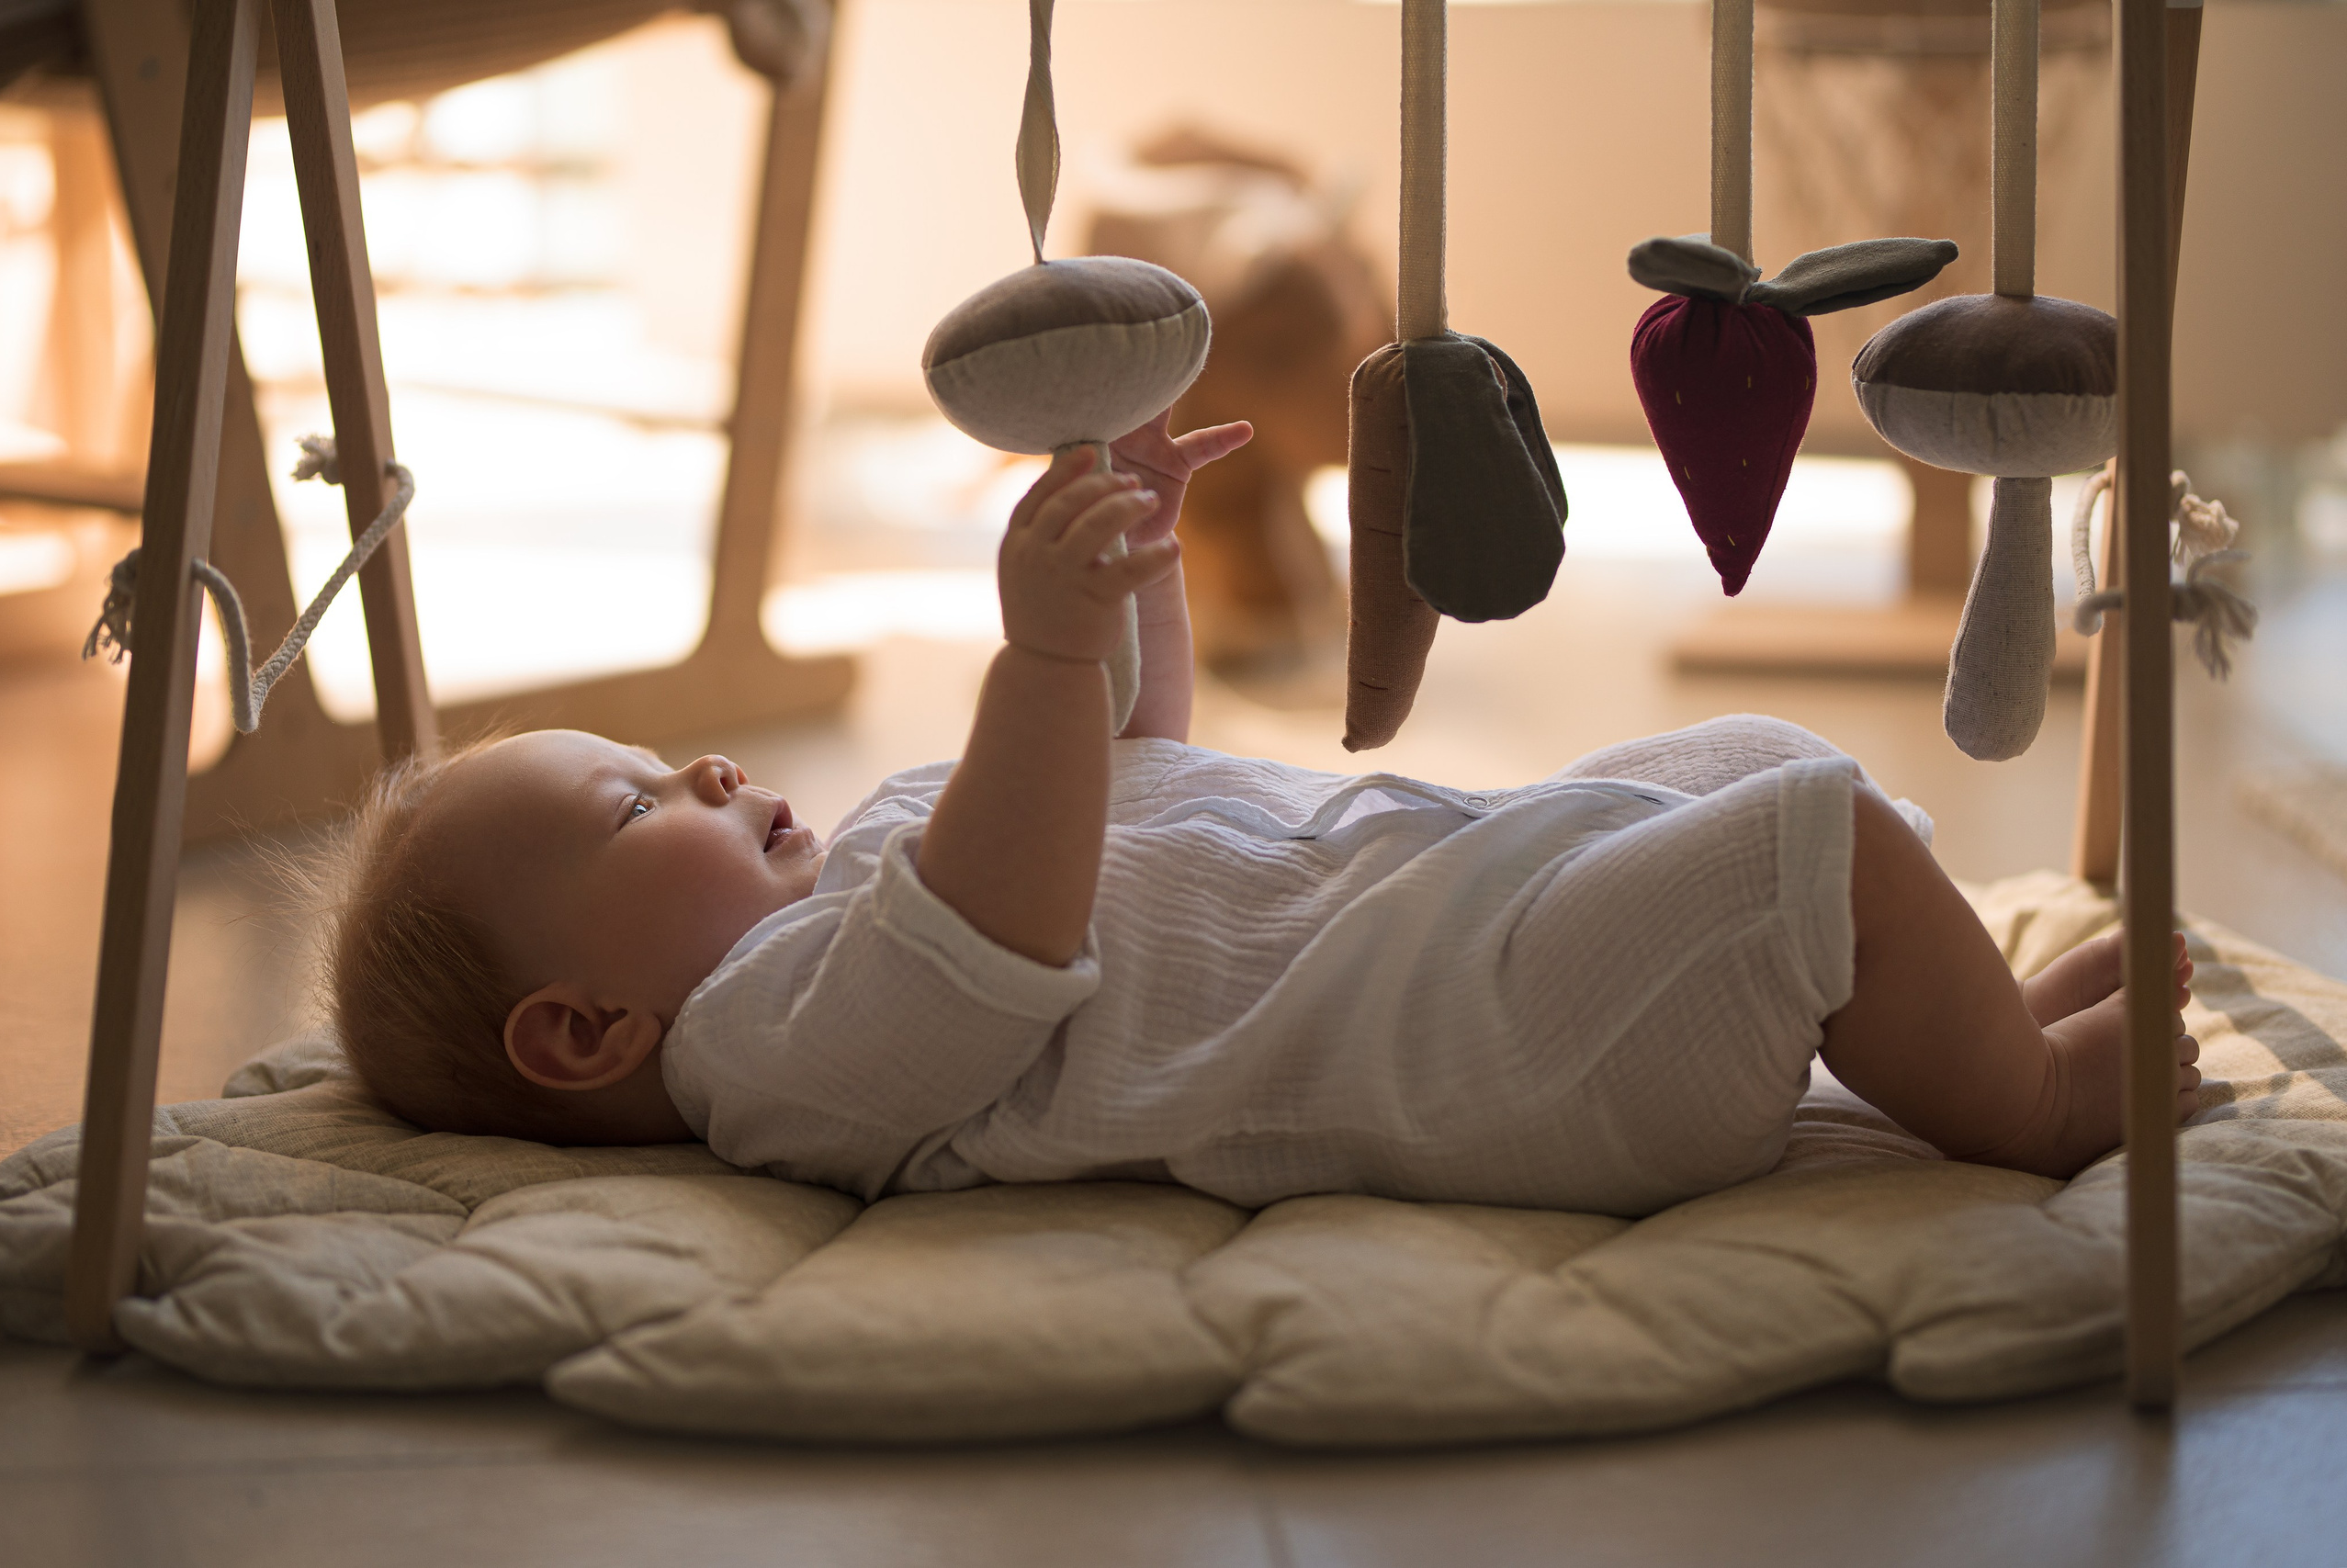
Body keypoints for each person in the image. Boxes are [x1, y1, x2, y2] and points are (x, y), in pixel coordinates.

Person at [322, 412, 2199, 1216]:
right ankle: (2025, 1106)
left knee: (1733, 763)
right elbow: (1000, 933)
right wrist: (1037, 654)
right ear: (585, 1031)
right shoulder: (765, 1056)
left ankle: (1945, 1034)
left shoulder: (869, 867)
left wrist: (1131, 576)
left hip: (1459, 902)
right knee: (1808, 832)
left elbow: (1130, 767)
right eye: (636, 799)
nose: (708, 767)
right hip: (1482, 1049)